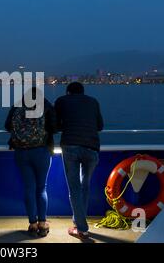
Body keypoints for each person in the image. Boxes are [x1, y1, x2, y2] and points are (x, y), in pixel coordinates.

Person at [4, 87, 57, 237]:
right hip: (41, 151)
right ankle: (42, 223)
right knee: (41, 189)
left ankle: (32, 224)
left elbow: (7, 125)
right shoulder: (45, 105)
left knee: (29, 188)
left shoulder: (18, 105)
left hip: (21, 152)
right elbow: (55, 127)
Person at [54, 82, 104, 239]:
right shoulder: (93, 101)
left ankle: (82, 229)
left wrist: (67, 125)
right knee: (85, 187)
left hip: (71, 146)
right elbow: (100, 126)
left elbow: (55, 126)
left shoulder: (62, 101)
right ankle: (78, 222)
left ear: (68, 92)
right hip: (91, 148)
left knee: (74, 188)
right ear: (83, 92)